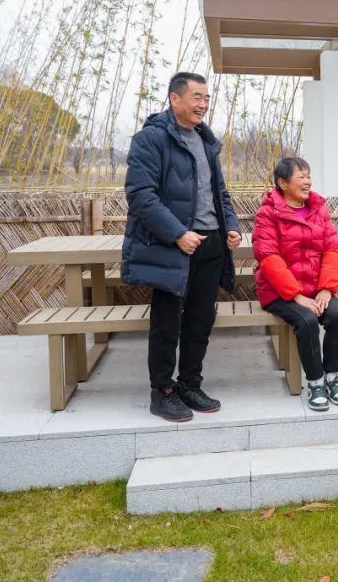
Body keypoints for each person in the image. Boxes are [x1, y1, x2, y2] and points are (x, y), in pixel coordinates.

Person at [121, 71, 243, 422]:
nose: (203, 104)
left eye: (207, 98)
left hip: (212, 243)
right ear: (174, 98)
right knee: (167, 321)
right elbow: (141, 196)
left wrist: (231, 226)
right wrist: (177, 234)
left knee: (201, 320)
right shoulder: (150, 139)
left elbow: (219, 194)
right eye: (197, 97)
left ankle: (190, 384)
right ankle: (162, 391)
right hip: (173, 246)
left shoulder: (206, 141)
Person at [253, 157, 338, 412]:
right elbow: (269, 257)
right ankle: (315, 382)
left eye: (309, 176)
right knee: (307, 321)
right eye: (301, 177)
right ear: (283, 183)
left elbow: (333, 249)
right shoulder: (268, 214)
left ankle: (332, 377)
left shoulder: (319, 209)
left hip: (316, 288)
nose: (308, 181)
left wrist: (326, 288)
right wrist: (296, 295)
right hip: (278, 290)